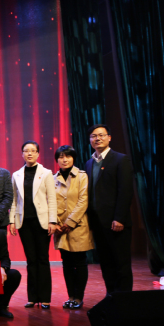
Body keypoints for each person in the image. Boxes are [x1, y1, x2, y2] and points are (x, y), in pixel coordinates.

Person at [84, 124, 133, 293]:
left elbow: (125, 191)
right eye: (93, 136)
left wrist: (119, 218)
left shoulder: (120, 159)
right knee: (106, 263)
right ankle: (111, 297)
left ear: (109, 137)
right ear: (90, 140)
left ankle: (124, 300)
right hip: (98, 223)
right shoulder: (89, 163)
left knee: (121, 263)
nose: (97, 139)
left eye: (101, 135)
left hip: (116, 222)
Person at [9, 140, 57, 309]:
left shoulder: (46, 173)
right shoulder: (16, 175)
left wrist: (52, 220)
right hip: (25, 222)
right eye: (26, 151)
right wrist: (12, 221)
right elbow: (14, 200)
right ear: (22, 154)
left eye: (33, 150)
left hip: (42, 222)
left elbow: (52, 199)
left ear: (38, 153)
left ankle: (45, 298)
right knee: (30, 260)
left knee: (42, 258)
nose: (29, 153)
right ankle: (32, 297)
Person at [52, 145, 94, 309]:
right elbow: (50, 202)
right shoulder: (53, 178)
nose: (64, 159)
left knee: (80, 261)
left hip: (78, 225)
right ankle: (70, 296)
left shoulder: (82, 176)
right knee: (67, 262)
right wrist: (56, 222)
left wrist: (70, 222)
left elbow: (83, 200)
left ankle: (79, 297)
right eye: (61, 157)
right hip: (60, 228)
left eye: (68, 156)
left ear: (73, 158)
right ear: (57, 160)